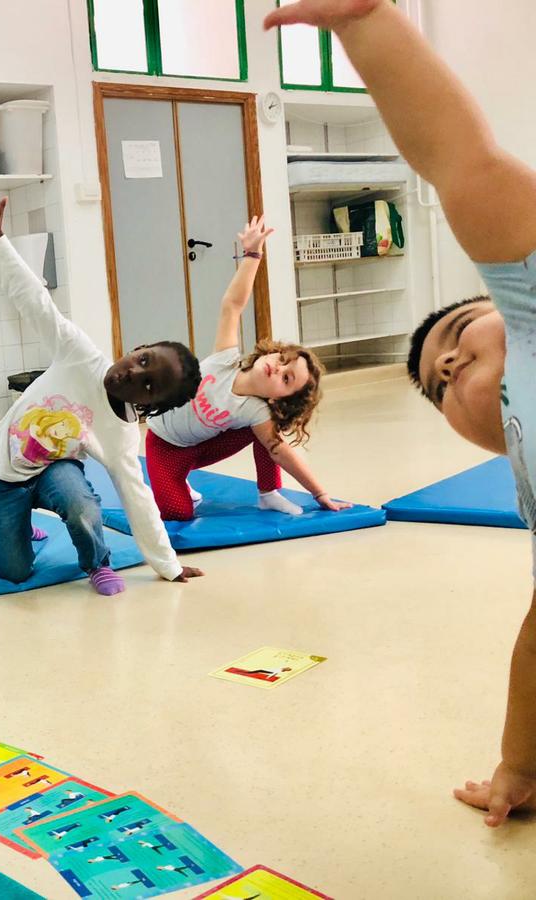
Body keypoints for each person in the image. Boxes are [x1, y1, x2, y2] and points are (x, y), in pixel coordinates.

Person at [267, 0, 536, 827]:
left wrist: (366, 23)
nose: (448, 363)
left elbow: (461, 158)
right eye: (435, 385)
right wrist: (517, 764)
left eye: (455, 335)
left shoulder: (528, 315)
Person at [0, 200, 205, 593]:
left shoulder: (120, 435)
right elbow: (35, 302)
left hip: (56, 471)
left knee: (82, 508)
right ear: (138, 347)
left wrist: (168, 564)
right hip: (4, 475)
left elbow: (137, 499)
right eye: (142, 360)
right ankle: (24, 524)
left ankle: (97, 564)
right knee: (14, 572)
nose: (132, 373)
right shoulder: (81, 354)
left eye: (147, 384)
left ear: (147, 405)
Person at [145, 217, 351, 521]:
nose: (277, 368)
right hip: (165, 445)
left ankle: (269, 494)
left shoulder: (257, 411)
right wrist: (253, 256)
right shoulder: (225, 360)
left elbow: (281, 451)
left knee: (270, 438)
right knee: (177, 513)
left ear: (281, 399)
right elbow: (233, 305)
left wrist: (319, 493)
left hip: (202, 447)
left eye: (286, 378)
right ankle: (181, 485)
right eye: (282, 360)